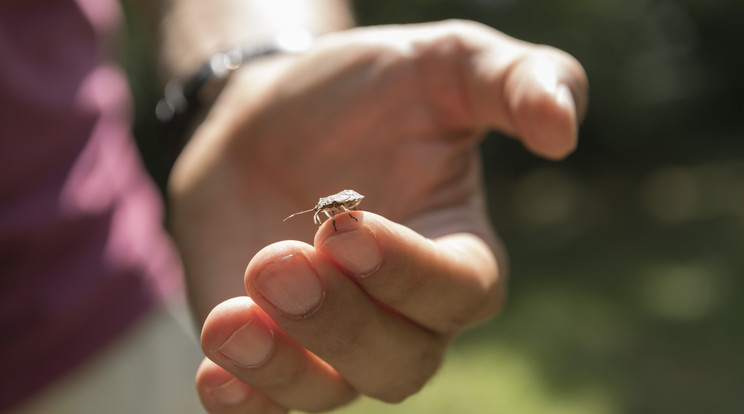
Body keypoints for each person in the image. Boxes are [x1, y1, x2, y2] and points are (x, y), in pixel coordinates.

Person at [0, 0, 588, 413]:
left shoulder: (336, 209)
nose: (330, 212)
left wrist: (255, 65)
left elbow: (341, 211)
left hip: (81, 310)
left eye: (333, 212)